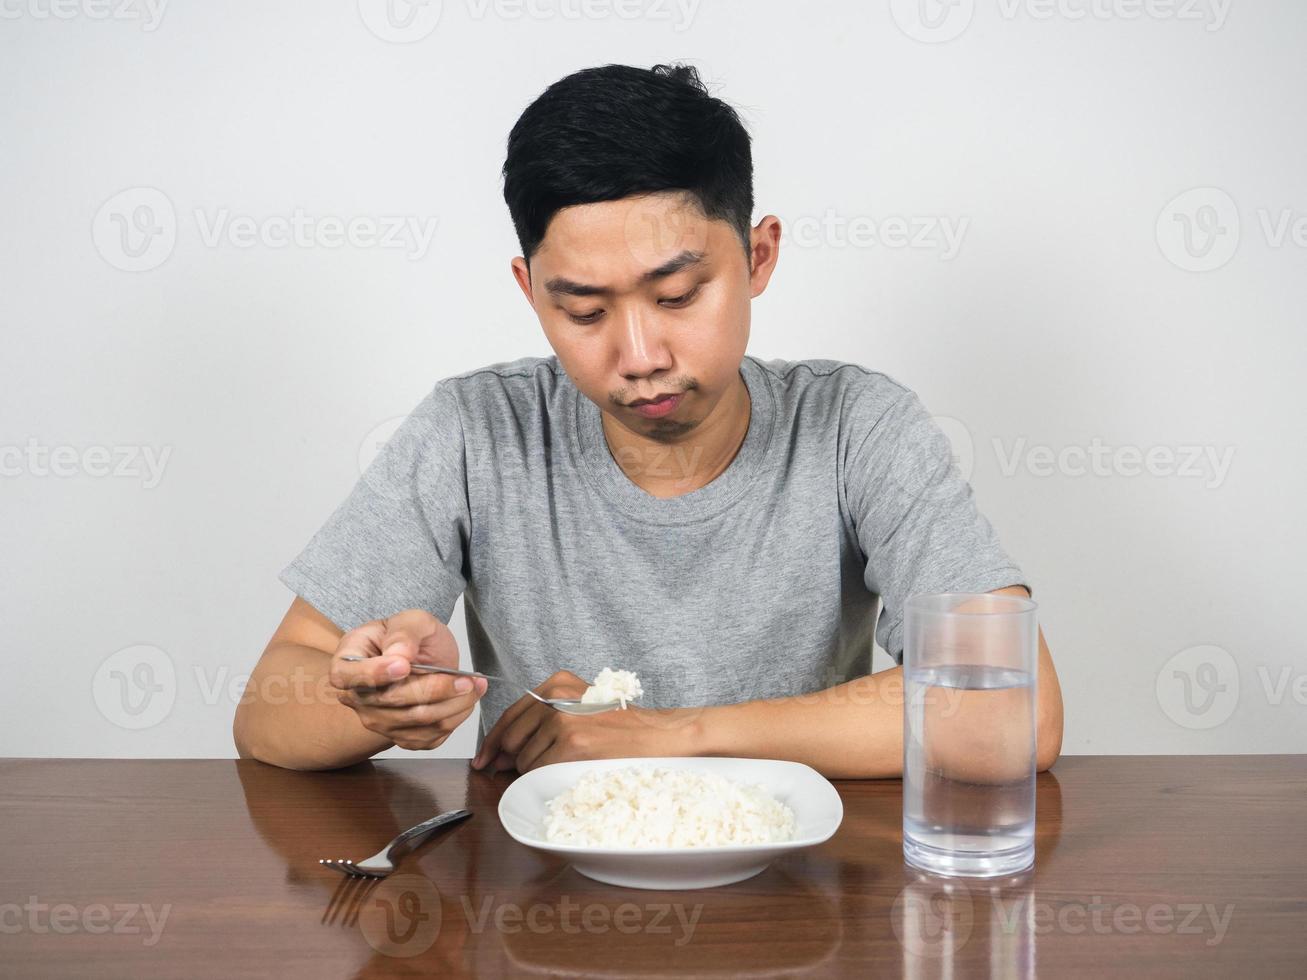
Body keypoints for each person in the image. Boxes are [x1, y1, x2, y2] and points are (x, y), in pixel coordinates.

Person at [233, 63, 1064, 776]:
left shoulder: (855, 426)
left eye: (676, 297)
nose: (638, 355)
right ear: (531, 293)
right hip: (547, 902)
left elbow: (1012, 704)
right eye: (585, 312)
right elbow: (265, 712)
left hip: (800, 891)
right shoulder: (475, 432)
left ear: (758, 257)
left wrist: (672, 734)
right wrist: (381, 699)